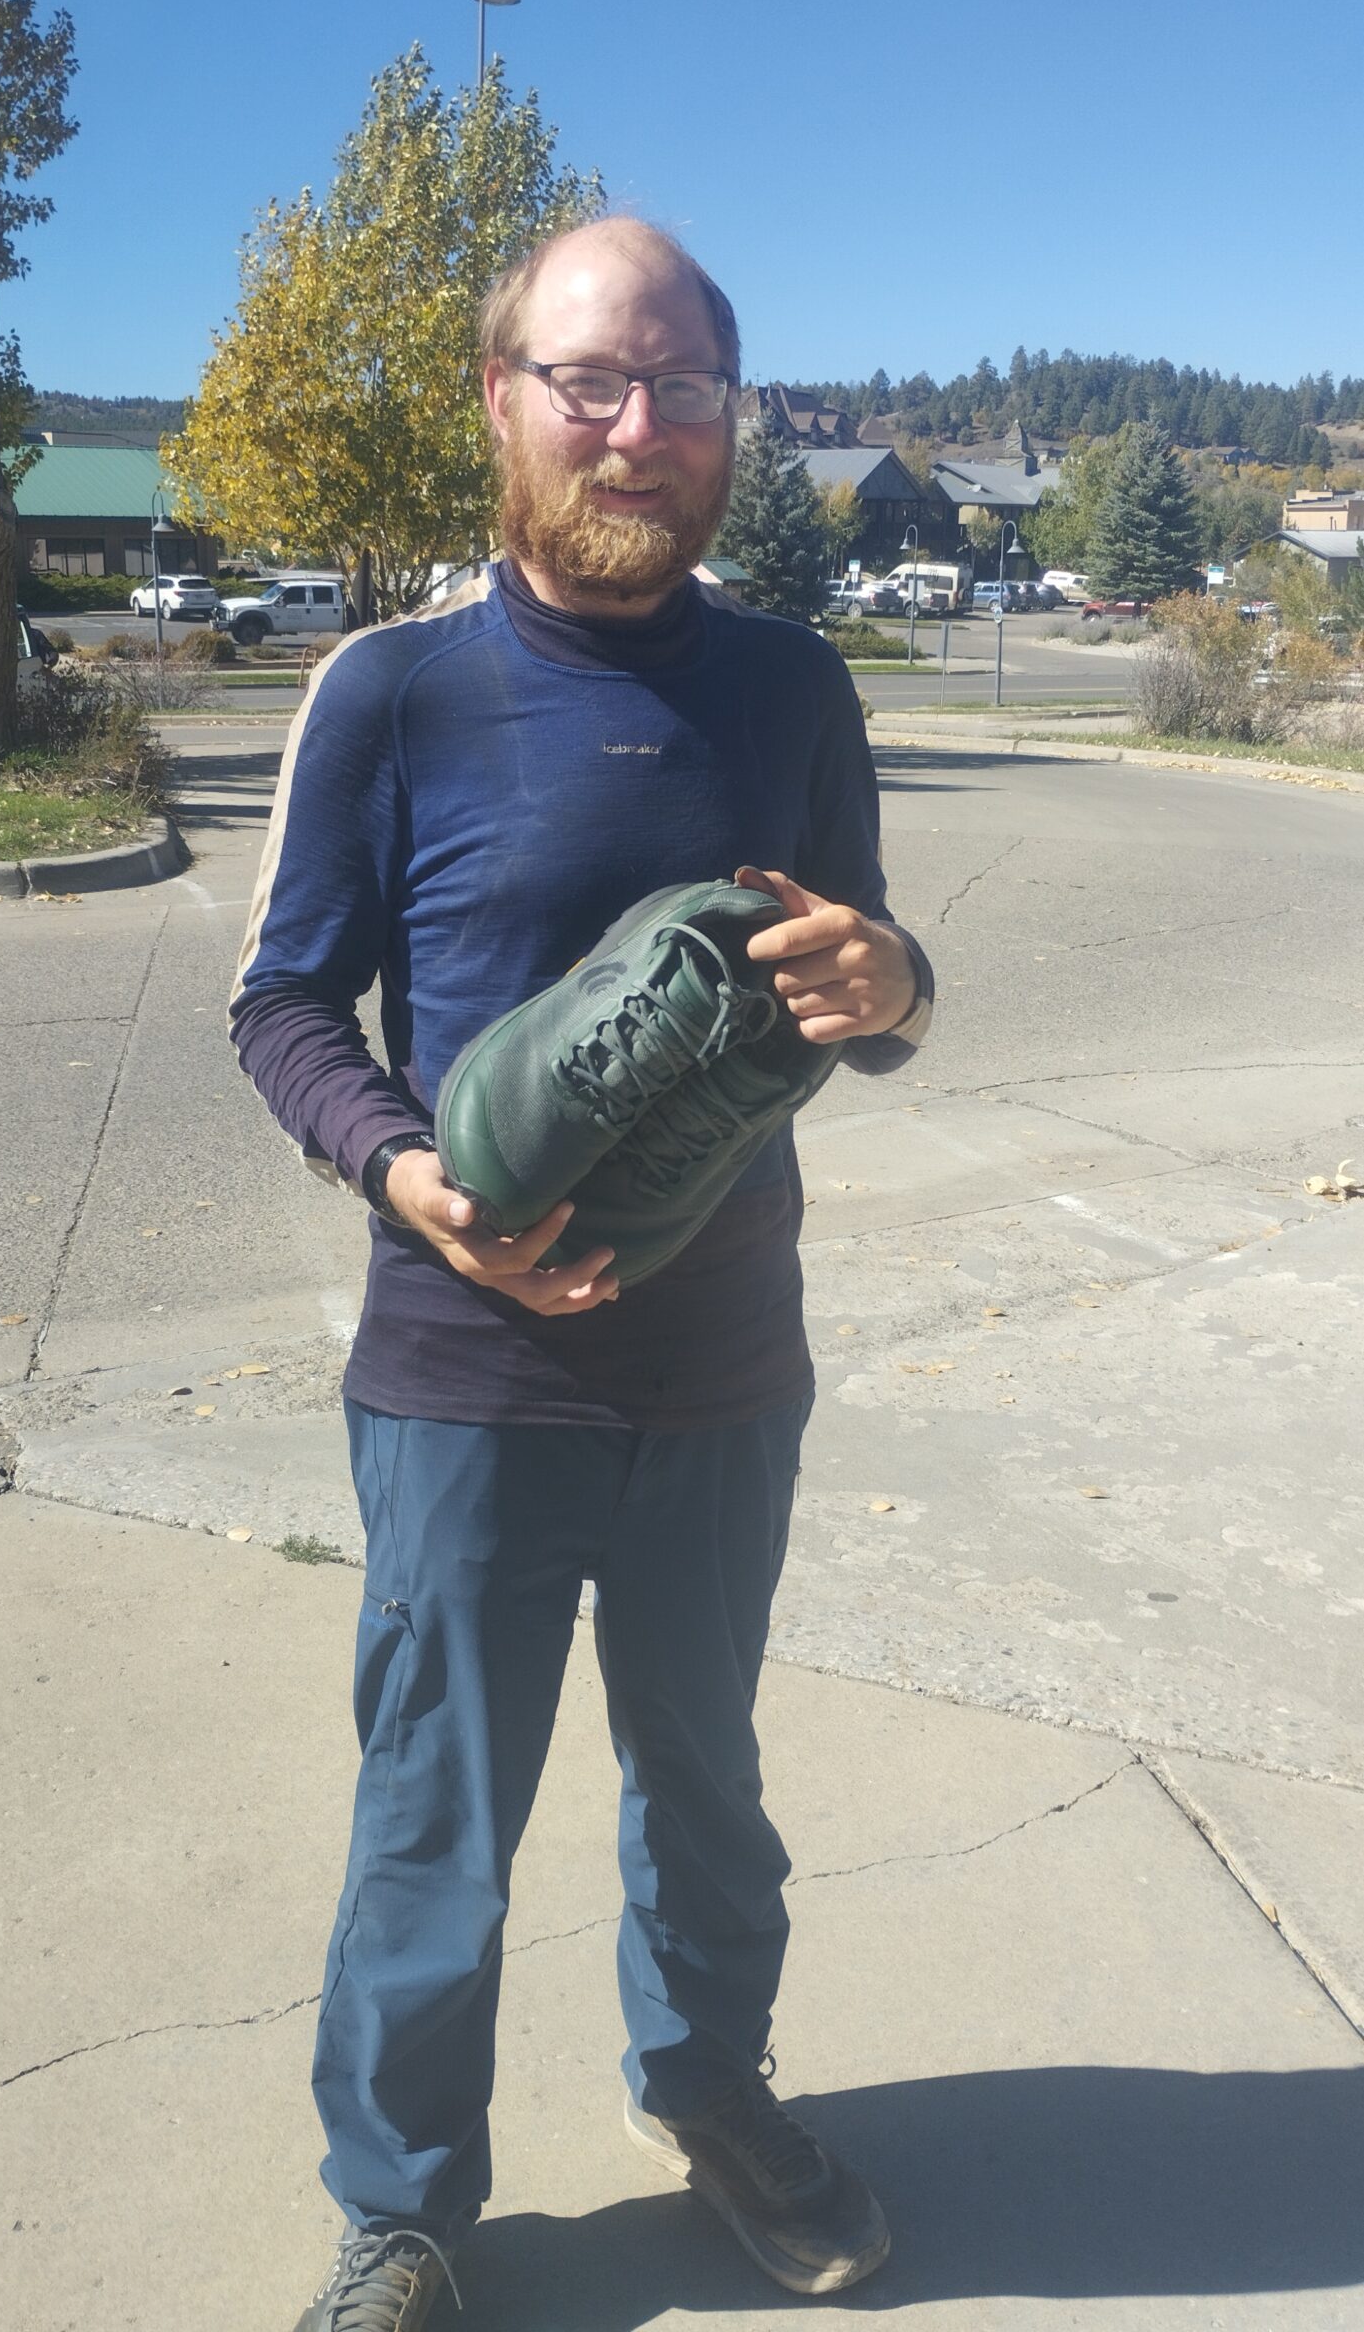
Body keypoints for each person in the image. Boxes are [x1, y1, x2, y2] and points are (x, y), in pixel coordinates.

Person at [231, 216, 933, 2331]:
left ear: (729, 414)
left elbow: (854, 977)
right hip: (465, 1374)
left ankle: (707, 2086)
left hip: (726, 1360)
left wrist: (894, 981)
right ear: (501, 399)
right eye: (589, 382)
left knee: (705, 1789)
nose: (637, 429)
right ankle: (403, 2206)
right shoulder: (397, 689)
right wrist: (407, 1174)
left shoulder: (792, 682)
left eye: (681, 386)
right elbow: (283, 1006)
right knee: (435, 1820)